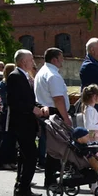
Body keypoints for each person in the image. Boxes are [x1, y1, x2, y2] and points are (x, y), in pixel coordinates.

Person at [5, 49, 46, 196]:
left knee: (24, 156)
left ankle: (21, 186)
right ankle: (23, 187)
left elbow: (27, 99)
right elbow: (14, 101)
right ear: (23, 61)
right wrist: (32, 109)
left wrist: (39, 107)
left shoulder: (24, 76)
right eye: (30, 59)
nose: (33, 62)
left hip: (27, 123)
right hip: (21, 123)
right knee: (31, 155)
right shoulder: (15, 77)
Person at [34, 47, 71, 188]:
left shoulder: (41, 72)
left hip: (45, 112)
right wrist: (66, 118)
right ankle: (52, 179)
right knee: (56, 148)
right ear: (55, 59)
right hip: (54, 113)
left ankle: (50, 178)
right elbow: (58, 99)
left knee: (51, 148)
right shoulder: (53, 75)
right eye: (61, 58)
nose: (63, 61)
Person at [0, 63, 18, 170]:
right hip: (7, 113)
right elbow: (6, 99)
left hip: (14, 113)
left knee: (13, 138)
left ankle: (12, 160)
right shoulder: (4, 83)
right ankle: (4, 160)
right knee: (7, 137)